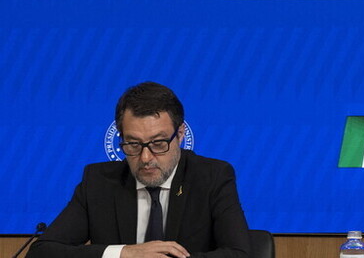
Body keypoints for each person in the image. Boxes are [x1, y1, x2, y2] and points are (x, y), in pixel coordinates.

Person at [30, 82, 250, 258]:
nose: (145, 158)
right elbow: (42, 252)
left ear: (180, 134)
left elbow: (239, 254)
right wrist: (124, 253)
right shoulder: (99, 182)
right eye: (133, 144)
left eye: (158, 143)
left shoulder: (212, 177)